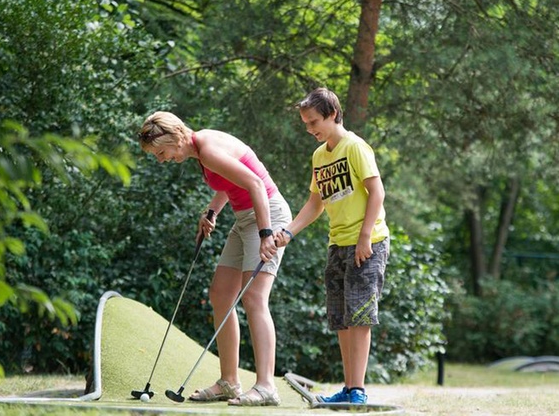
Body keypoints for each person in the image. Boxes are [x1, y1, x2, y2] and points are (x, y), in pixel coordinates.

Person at [138, 111, 291, 407]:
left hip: (266, 214)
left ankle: (266, 387)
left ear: (175, 138)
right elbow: (229, 182)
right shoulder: (202, 149)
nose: (162, 159)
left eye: (161, 152)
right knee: (220, 294)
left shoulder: (207, 149)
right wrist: (212, 211)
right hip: (244, 217)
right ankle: (229, 382)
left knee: (254, 298)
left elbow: (256, 184)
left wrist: (265, 233)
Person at [273, 88, 390, 405]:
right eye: (306, 124)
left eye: (314, 122)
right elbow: (316, 203)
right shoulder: (319, 156)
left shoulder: (355, 147)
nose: (310, 129)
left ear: (333, 114)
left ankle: (358, 391)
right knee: (341, 317)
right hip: (337, 243)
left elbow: (377, 193)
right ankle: (349, 388)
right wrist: (289, 231)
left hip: (368, 242)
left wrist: (365, 236)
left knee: (360, 316)